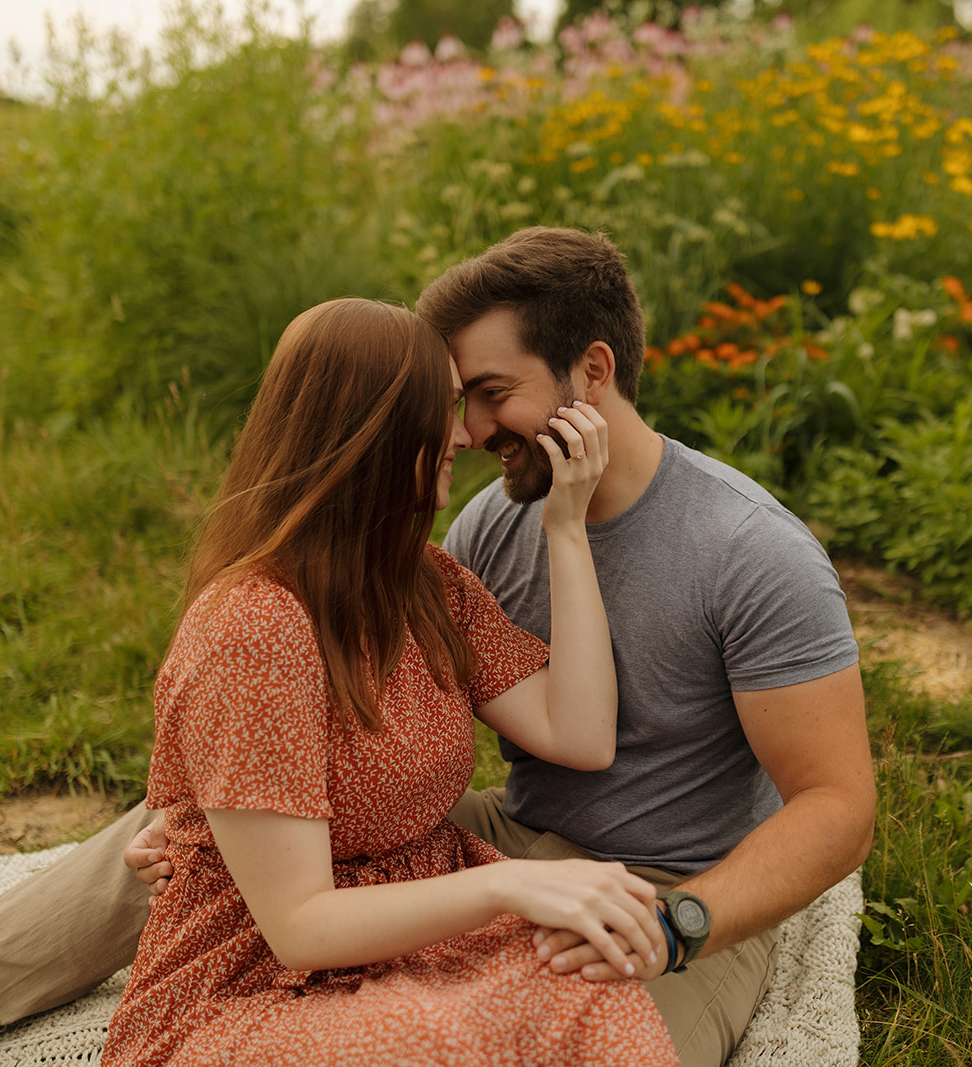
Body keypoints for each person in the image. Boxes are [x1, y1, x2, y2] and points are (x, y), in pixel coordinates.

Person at [0, 230, 875, 1067]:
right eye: (445, 405)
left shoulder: (746, 551)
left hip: (666, 876)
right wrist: (208, 811)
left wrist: (686, 919)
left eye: (488, 395)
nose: (461, 433)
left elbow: (836, 802)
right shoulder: (486, 523)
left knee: (586, 1031)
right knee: (191, 832)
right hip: (507, 832)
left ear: (590, 373)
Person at [98, 297, 677, 1066]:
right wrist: (514, 888)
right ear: (369, 429)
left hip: (422, 932)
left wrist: (565, 528)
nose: (468, 434)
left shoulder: (429, 585)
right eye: (442, 409)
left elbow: (581, 733)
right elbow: (300, 923)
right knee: (433, 1044)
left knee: (592, 991)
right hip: (252, 982)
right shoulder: (251, 628)